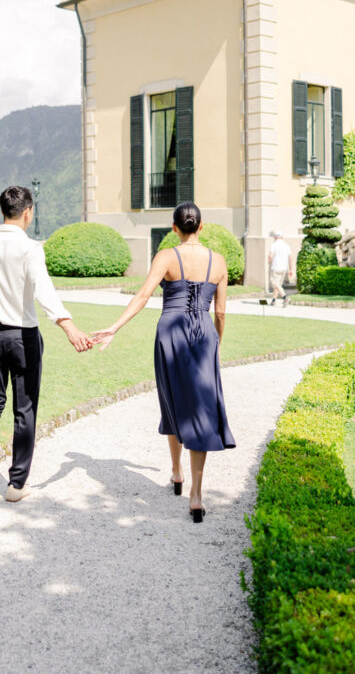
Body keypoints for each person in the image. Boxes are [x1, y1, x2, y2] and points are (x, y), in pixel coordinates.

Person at [92, 201, 235, 522]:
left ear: (174, 228)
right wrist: (217, 341)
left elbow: (143, 296)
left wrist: (113, 328)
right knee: (201, 407)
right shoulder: (220, 261)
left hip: (171, 332)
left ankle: (176, 472)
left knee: (172, 399)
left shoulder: (166, 256)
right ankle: (196, 494)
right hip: (204, 335)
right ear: (201, 226)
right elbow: (221, 312)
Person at [0, 186, 93, 509]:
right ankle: (16, 484)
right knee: (25, 409)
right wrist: (68, 325)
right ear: (28, 212)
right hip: (23, 338)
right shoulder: (30, 248)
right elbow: (43, 290)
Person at [268, 231, 293, 306]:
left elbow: (270, 256)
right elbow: (290, 258)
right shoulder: (286, 245)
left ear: (275, 237)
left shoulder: (274, 245)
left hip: (275, 267)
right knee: (278, 285)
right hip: (284, 268)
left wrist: (269, 262)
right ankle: (273, 300)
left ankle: (285, 297)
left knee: (275, 283)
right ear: (282, 237)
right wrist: (291, 269)